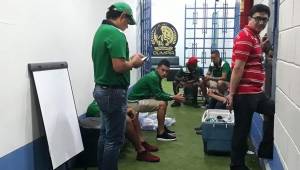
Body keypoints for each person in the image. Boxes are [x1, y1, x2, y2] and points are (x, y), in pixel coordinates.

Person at [91, 2, 144, 170]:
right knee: (114, 139)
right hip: (113, 93)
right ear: (122, 17)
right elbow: (119, 66)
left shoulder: (100, 31)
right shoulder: (116, 34)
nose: (127, 27)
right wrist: (134, 63)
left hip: (101, 89)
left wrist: (129, 61)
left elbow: (112, 63)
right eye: (128, 22)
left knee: (105, 134)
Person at [225, 4, 275, 170]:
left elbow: (250, 57)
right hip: (245, 94)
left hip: (256, 93)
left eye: (265, 20)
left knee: (273, 110)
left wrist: (262, 48)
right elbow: (238, 67)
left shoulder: (254, 37)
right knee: (242, 130)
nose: (261, 22)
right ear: (250, 19)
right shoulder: (246, 36)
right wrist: (231, 94)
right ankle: (237, 165)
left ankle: (265, 149)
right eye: (258, 18)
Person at [128, 59, 185, 141]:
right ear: (157, 68)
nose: (164, 73)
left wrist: (173, 96)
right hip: (133, 103)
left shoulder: (156, 76)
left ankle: (161, 128)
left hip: (140, 99)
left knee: (164, 101)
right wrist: (174, 97)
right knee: (161, 104)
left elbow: (161, 92)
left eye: (167, 71)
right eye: (163, 70)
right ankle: (161, 133)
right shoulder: (153, 77)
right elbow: (158, 95)